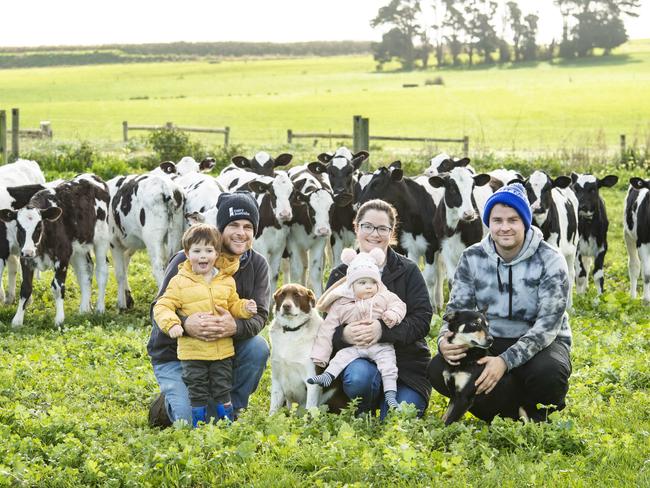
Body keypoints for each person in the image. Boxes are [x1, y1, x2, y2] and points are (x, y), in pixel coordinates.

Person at [427, 183, 572, 422]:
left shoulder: (550, 259)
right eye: (497, 220)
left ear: (525, 221)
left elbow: (547, 327)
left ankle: (536, 410)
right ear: (488, 223)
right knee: (437, 368)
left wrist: (504, 362)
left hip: (541, 344)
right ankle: (512, 412)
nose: (504, 227)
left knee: (549, 373)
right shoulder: (472, 257)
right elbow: (456, 309)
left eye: (513, 220)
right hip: (488, 340)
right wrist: (444, 339)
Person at [147, 191, 270, 427]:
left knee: (257, 348)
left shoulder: (257, 264)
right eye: (234, 224)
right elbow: (159, 307)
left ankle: (232, 409)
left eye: (248, 226)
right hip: (178, 354)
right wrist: (185, 324)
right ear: (221, 228)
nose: (241, 233)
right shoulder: (188, 259)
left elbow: (261, 315)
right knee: (187, 420)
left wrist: (235, 325)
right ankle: (168, 403)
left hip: (222, 352)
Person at [324, 199, 433, 418]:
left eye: (383, 228)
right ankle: (363, 410)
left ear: (392, 232)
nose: (375, 234)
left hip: (406, 367)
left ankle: (390, 406)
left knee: (399, 418)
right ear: (356, 228)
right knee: (358, 377)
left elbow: (422, 319)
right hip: (360, 361)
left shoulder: (408, 270)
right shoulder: (341, 273)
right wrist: (344, 334)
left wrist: (383, 330)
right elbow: (325, 327)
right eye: (367, 226)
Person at [307, 247, 407, 410]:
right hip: (355, 348)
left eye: (373, 282)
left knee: (389, 365)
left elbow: (399, 305)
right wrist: (320, 356)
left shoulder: (384, 295)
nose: (369, 287)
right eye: (362, 283)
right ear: (351, 286)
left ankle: (390, 395)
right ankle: (327, 376)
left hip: (380, 346)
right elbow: (327, 329)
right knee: (340, 358)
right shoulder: (341, 303)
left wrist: (391, 316)